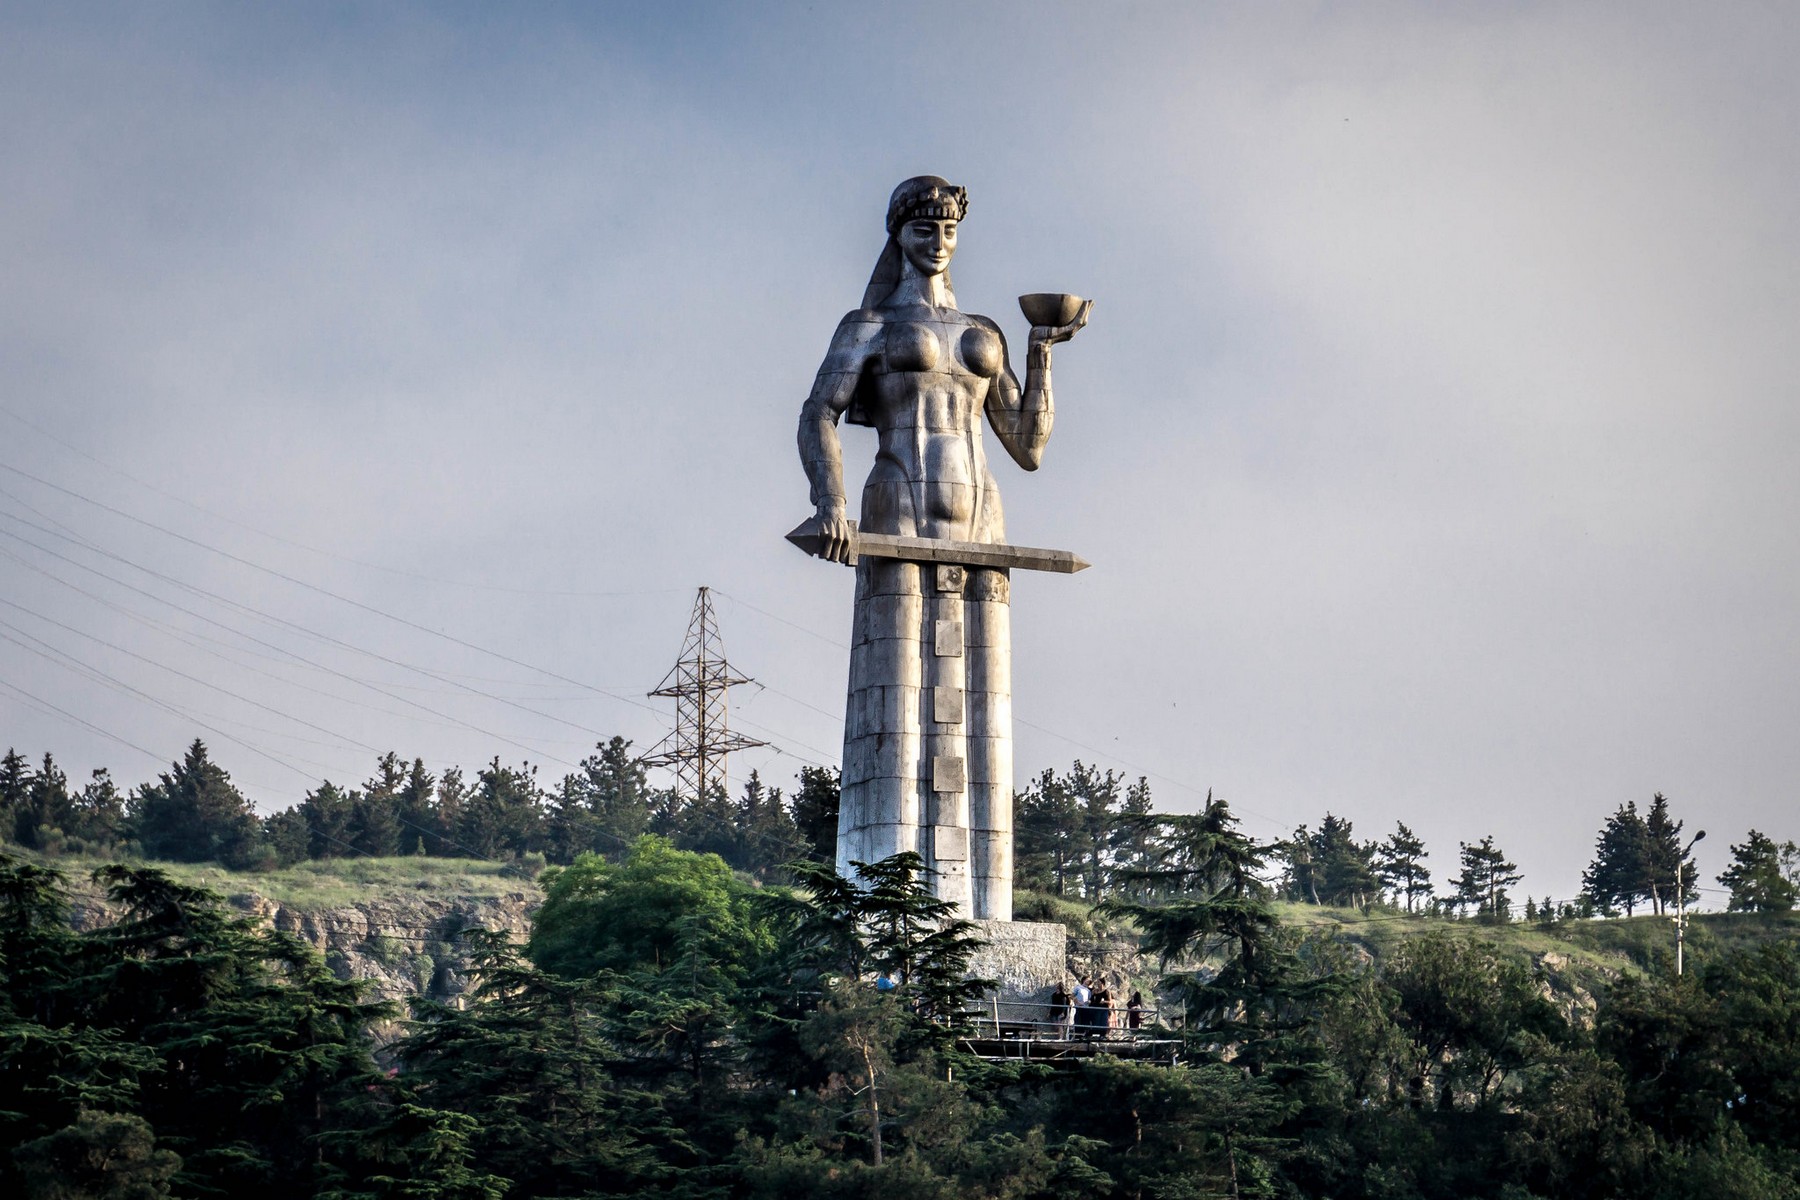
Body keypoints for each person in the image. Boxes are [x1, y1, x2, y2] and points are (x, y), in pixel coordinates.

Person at [797, 176, 1091, 920]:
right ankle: (889, 914)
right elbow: (819, 412)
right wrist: (830, 503)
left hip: (980, 517)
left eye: (949, 229)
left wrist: (1041, 351)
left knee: (985, 719)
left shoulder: (983, 333)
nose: (938, 241)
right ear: (899, 235)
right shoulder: (869, 324)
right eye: (924, 228)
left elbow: (1027, 444)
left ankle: (983, 914)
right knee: (895, 709)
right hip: (897, 505)